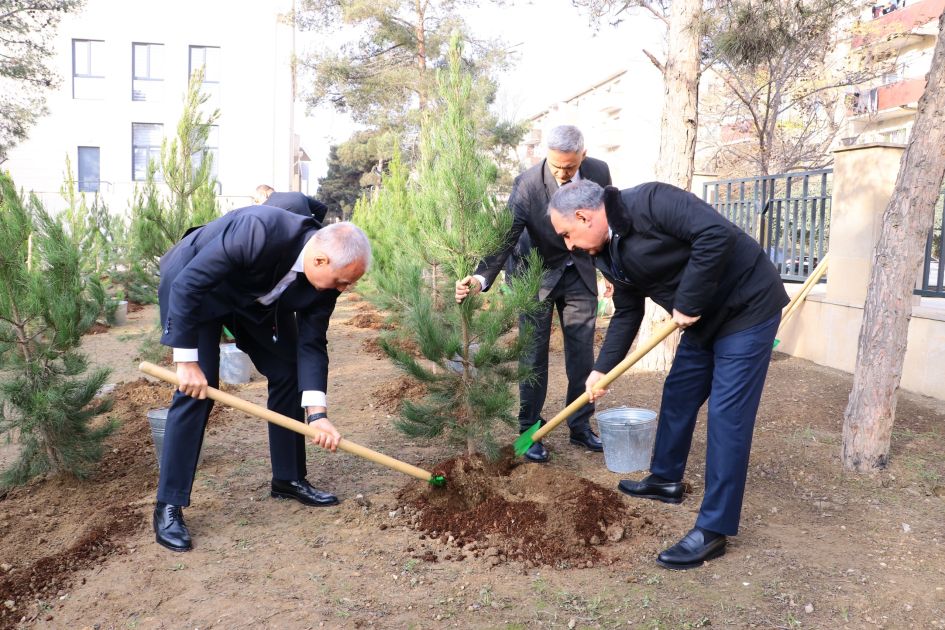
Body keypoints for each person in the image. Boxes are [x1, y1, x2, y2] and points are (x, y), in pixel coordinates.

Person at [547, 180, 788, 570]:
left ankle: (713, 529)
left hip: (747, 307)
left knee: (727, 416)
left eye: (567, 234)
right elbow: (628, 311)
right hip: (701, 320)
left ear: (583, 216)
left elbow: (716, 234)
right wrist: (601, 370)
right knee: (678, 394)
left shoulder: (651, 202)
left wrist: (688, 300)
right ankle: (665, 480)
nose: (569, 245)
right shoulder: (606, 253)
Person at [153, 206, 371, 552]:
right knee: (199, 389)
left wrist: (318, 415)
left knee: (287, 370)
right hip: (198, 290)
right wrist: (186, 362)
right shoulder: (257, 231)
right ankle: (169, 504)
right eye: (342, 281)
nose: (344, 289)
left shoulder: (327, 282)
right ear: (319, 261)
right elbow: (188, 284)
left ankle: (288, 477)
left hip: (251, 298)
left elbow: (312, 343)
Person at [455, 125, 612, 463]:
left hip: (579, 271)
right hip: (533, 274)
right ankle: (529, 433)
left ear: (583, 155)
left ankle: (580, 426)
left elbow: (607, 222)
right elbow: (507, 234)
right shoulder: (527, 183)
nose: (562, 173)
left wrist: (611, 270)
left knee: (582, 356)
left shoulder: (599, 172)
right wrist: (481, 278)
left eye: (569, 167)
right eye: (556, 166)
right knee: (533, 357)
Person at [254, 184, 329, 224]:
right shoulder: (298, 195)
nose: (258, 204)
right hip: (313, 239)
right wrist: (313, 225)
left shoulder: (266, 207)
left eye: (257, 201)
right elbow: (322, 208)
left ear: (263, 194)